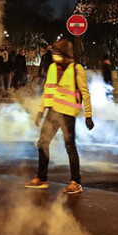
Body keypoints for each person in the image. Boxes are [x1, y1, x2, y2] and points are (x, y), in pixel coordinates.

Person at [24, 39, 94, 194]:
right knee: (42, 143)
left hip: (68, 114)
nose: (54, 56)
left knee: (70, 147)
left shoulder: (77, 69)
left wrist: (88, 115)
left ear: (65, 53)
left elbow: (85, 93)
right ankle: (41, 178)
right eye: (54, 53)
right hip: (53, 111)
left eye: (57, 53)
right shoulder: (53, 68)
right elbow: (48, 90)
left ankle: (76, 182)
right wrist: (41, 112)